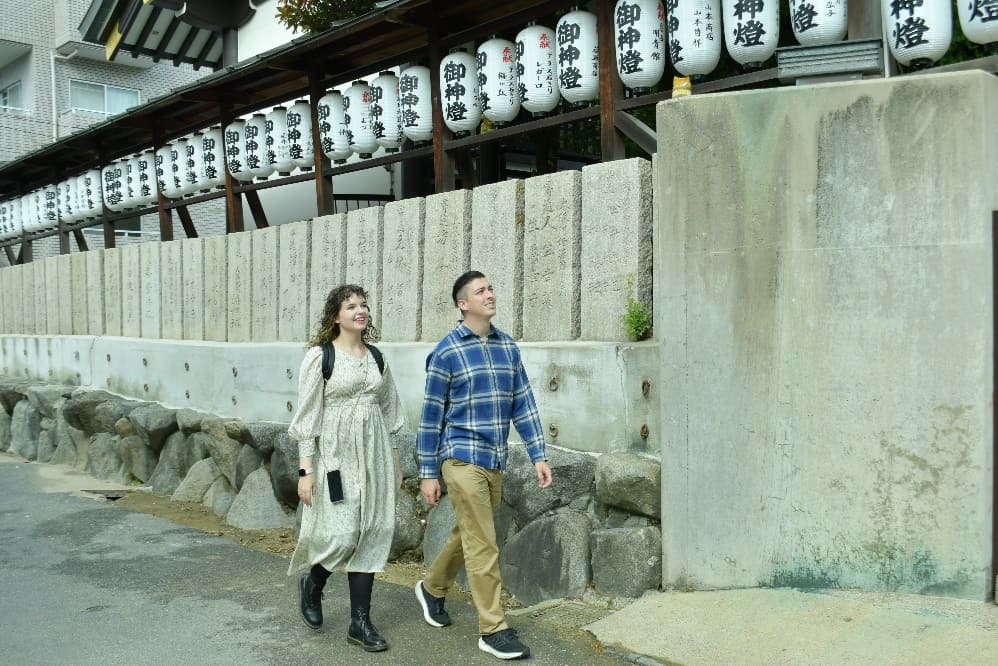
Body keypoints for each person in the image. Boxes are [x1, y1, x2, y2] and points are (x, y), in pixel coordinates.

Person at [415, 270, 553, 660]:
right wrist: (428, 472)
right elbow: (430, 419)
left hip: (494, 459)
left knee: (471, 534)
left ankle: (432, 587)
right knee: (484, 544)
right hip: (460, 459)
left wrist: (538, 453)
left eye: (491, 287)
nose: (490, 294)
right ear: (463, 304)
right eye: (481, 291)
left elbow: (522, 403)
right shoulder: (446, 353)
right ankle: (493, 629)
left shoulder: (508, 348)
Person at [287, 284, 404, 652]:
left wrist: (396, 464)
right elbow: (307, 418)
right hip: (336, 459)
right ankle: (314, 583)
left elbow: (390, 412)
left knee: (372, 530)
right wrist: (306, 472)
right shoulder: (320, 358)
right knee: (341, 533)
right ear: (336, 316)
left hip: (375, 457)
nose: (360, 310)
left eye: (364, 304)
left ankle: (360, 623)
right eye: (351, 305)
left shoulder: (377, 358)